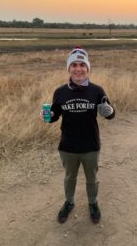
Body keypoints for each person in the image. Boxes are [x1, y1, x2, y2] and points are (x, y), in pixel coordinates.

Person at [40, 45, 115, 224]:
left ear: (87, 68)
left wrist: (108, 111)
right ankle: (69, 202)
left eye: (82, 64)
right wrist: (46, 116)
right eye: (74, 65)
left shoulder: (97, 91)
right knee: (69, 177)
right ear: (69, 68)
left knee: (92, 178)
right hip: (68, 146)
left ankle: (93, 203)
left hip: (91, 145)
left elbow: (111, 115)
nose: (78, 69)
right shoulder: (60, 92)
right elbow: (54, 117)